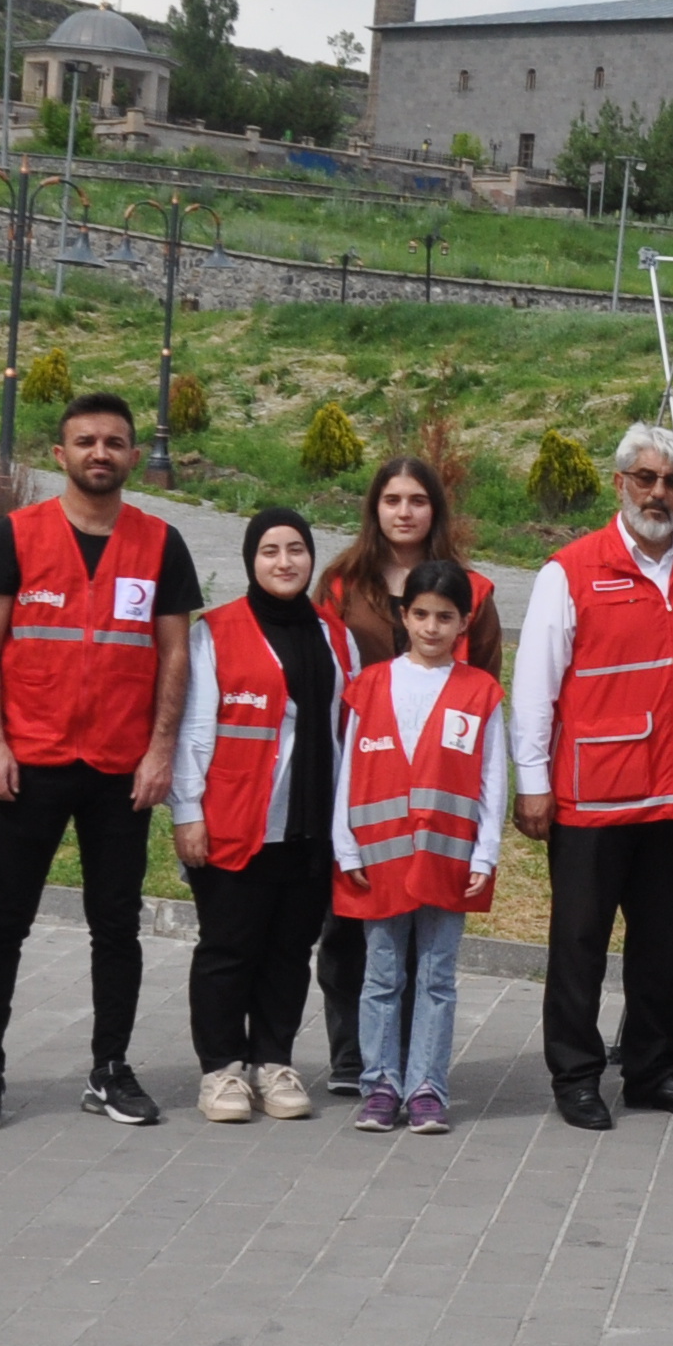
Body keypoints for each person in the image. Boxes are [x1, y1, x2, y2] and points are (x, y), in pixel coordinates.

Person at [0, 392, 198, 1130]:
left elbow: (175, 653)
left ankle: (111, 1067)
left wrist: (160, 753)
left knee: (115, 926)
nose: (102, 452)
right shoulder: (19, 536)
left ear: (132, 456)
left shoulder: (160, 542)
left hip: (120, 768)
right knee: (3, 922)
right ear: (60, 455)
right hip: (33, 762)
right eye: (86, 441)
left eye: (116, 442)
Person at [510, 422, 673, 1129]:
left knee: (663, 947)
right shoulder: (569, 571)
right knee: (579, 944)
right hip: (590, 797)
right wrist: (533, 781)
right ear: (619, 483)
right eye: (646, 478)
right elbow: (533, 688)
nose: (659, 493)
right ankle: (575, 1078)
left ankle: (652, 1071)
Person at [316, 456, 498, 1091]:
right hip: (366, 779)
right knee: (352, 933)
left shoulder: (471, 589)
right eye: (391, 499)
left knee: (428, 944)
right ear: (375, 508)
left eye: (417, 499)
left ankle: (416, 1072)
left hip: (441, 785)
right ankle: (357, 1060)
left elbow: (487, 692)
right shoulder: (342, 585)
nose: (403, 511)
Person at [172, 507, 353, 1124]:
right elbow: (194, 732)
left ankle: (273, 1060)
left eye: (296, 549)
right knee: (228, 948)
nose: (285, 562)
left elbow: (343, 732)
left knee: (288, 950)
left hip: (309, 827)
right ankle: (221, 1069)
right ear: (252, 560)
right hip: (234, 821)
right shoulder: (216, 631)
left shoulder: (335, 635)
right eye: (271, 550)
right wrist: (187, 812)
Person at [332, 561, 512, 1134]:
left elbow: (492, 780)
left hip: (447, 860)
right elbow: (349, 773)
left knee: (436, 975)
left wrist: (485, 854)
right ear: (402, 616)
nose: (432, 628)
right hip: (380, 859)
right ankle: (381, 1084)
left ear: (464, 624)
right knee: (382, 976)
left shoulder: (480, 693)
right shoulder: (372, 685)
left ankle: (429, 1086)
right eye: (421, 615)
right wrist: (346, 846)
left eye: (446, 617)